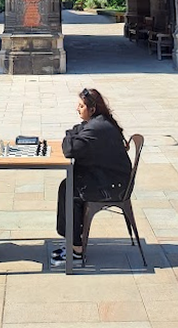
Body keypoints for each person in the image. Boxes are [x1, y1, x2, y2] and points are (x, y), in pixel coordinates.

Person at [52, 87, 131, 266]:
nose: (77, 109)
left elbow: (69, 149)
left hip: (112, 186)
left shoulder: (97, 127)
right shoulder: (98, 122)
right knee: (68, 185)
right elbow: (77, 131)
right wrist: (72, 133)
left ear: (92, 109)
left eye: (81, 106)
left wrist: (68, 135)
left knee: (70, 190)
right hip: (108, 177)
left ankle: (77, 250)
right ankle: (72, 242)